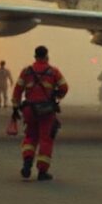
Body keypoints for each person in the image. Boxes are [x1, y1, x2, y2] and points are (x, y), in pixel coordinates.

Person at [12, 46, 69, 181]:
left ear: (35, 56)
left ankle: (27, 162)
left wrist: (15, 107)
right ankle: (42, 171)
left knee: (30, 137)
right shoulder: (53, 71)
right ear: (46, 56)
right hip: (46, 110)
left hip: (29, 110)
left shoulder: (26, 71)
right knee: (45, 139)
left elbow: (17, 90)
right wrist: (56, 95)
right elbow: (64, 88)